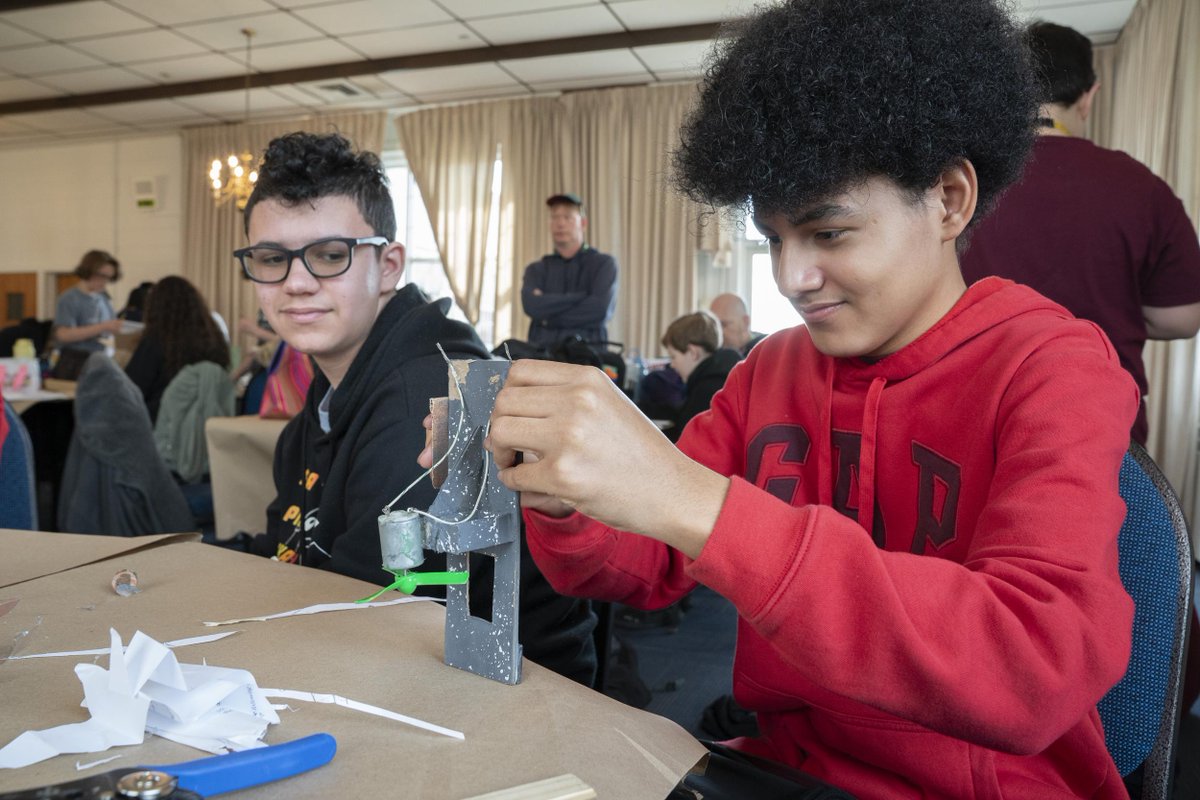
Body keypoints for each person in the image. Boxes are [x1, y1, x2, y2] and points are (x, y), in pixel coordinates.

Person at [469, 1, 1140, 796]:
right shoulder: (768, 373)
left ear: (950, 199)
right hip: (781, 770)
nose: (791, 278)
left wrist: (699, 502)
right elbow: (642, 569)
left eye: (828, 234)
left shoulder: (1053, 367)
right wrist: (560, 492)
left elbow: (1032, 665)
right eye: (775, 238)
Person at [243, 132, 596, 686]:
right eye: (271, 259)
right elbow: (288, 551)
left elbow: (368, 604)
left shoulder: (427, 398)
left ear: (388, 266)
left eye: (330, 255)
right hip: (381, 664)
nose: (296, 283)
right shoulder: (320, 406)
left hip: (512, 699)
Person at [961, 21, 1200, 446]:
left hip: (978, 424)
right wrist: (1113, 304)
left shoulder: (963, 186)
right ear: (1088, 96)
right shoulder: (1140, 186)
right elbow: (1183, 316)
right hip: (1104, 431)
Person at [124, 276, 230, 423]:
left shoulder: (155, 342)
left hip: (159, 424)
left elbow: (130, 389)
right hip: (203, 423)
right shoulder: (214, 340)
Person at [520, 193, 618, 349]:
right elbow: (532, 306)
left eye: (568, 217)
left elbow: (599, 310)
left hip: (587, 359)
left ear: (583, 223)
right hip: (542, 359)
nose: (560, 223)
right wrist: (580, 297)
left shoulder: (603, 264)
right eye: (554, 217)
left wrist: (547, 319)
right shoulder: (536, 269)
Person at [660, 310, 739, 443]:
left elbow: (684, 442)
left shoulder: (707, 391)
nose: (672, 365)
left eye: (673, 357)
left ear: (693, 352)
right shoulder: (720, 376)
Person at [53, 250, 123, 353]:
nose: (105, 282)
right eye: (102, 276)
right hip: (78, 359)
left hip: (103, 355)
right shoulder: (69, 298)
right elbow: (63, 335)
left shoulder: (104, 298)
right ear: (88, 271)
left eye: (109, 278)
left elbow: (110, 326)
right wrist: (103, 327)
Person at [708, 293, 765, 358]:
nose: (718, 333)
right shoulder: (711, 353)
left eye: (723, 325)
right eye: (714, 326)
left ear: (745, 322)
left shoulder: (765, 349)